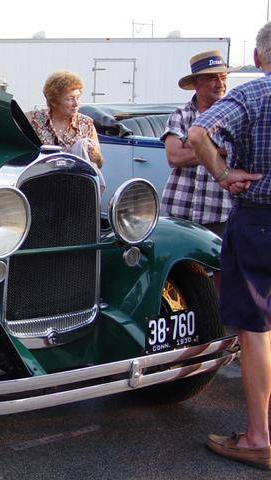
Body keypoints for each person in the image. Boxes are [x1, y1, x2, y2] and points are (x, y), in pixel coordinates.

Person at [188, 21, 271, 471]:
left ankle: (258, 437)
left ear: (258, 58)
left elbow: (198, 135)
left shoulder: (252, 95)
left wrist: (223, 175)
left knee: (256, 329)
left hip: (259, 220)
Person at [160, 50, 231, 238]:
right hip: (180, 209)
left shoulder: (234, 115)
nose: (221, 84)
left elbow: (237, 151)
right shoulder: (181, 114)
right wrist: (218, 151)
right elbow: (174, 157)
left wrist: (192, 148)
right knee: (184, 266)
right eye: (212, 78)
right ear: (197, 84)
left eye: (223, 77)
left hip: (220, 212)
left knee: (219, 264)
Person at [28, 71, 104, 169]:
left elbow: (100, 164)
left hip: (76, 182)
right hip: (42, 180)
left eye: (78, 97)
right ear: (54, 101)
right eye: (70, 98)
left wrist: (97, 157)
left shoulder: (86, 124)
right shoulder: (34, 120)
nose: (76, 104)